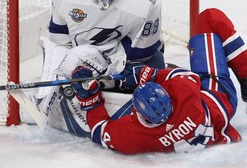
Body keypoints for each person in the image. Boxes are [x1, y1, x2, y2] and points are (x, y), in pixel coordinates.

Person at [68, 8, 247, 154]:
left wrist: (90, 101)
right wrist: (146, 74)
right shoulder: (184, 92)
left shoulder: (134, 137)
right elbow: (186, 76)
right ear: (169, 98)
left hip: (200, 130)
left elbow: (99, 131)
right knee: (210, 18)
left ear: (138, 112)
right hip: (218, 102)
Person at [34, 0, 165, 122]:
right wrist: (65, 73)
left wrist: (111, 77)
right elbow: (58, 38)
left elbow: (141, 53)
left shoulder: (146, 0)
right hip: (81, 54)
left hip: (123, 57)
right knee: (70, 56)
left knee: (154, 74)